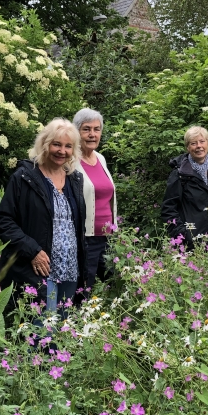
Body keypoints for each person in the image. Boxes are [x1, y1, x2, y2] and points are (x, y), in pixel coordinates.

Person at [0, 118, 86, 315]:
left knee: (63, 332)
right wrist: (32, 251)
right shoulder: (25, 177)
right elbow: (4, 220)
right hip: (38, 271)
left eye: (68, 146)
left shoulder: (74, 180)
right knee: (41, 333)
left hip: (69, 270)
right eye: (56, 144)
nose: (62, 151)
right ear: (45, 144)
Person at [74, 108, 117, 289]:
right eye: (86, 129)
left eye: (96, 129)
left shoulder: (100, 158)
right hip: (86, 239)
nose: (92, 134)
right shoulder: (70, 161)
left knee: (117, 285)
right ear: (76, 132)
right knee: (83, 288)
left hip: (108, 237)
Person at [161, 126, 208, 247]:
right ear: (187, 147)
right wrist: (184, 236)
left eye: (202, 141)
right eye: (193, 143)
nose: (199, 146)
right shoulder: (180, 174)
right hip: (189, 244)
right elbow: (168, 210)